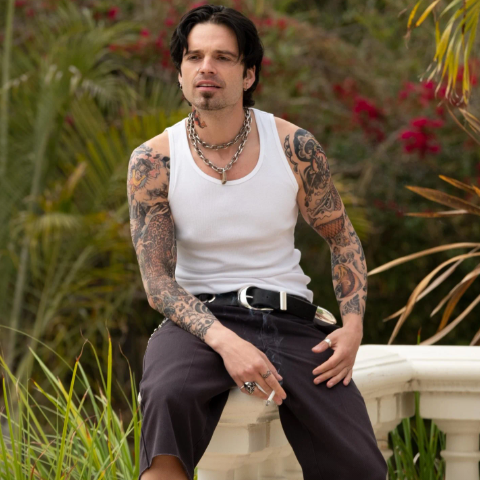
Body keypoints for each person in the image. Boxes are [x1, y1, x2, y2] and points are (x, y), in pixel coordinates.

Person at [127, 4, 388, 480]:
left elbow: (342, 238)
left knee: (359, 465)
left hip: (290, 318)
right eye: (194, 57)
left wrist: (352, 326)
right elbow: (158, 282)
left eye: (223, 58)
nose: (206, 67)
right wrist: (227, 343)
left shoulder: (293, 146)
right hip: (197, 324)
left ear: (248, 74)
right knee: (166, 398)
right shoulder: (154, 160)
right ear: (181, 74)